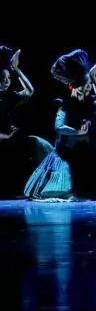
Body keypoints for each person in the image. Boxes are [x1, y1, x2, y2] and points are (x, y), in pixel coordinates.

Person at [25, 49, 96, 200]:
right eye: (86, 85)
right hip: (67, 153)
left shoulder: (89, 102)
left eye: (90, 85)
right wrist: (78, 132)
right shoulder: (67, 104)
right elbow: (59, 127)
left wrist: (94, 78)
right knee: (62, 187)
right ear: (74, 87)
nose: (89, 88)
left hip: (85, 152)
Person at [0, 46, 52, 198]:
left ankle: (43, 185)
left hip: (10, 140)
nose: (6, 81)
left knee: (39, 144)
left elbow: (29, 91)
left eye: (8, 78)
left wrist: (16, 70)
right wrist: (6, 137)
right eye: (2, 78)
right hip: (3, 139)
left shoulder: (9, 97)